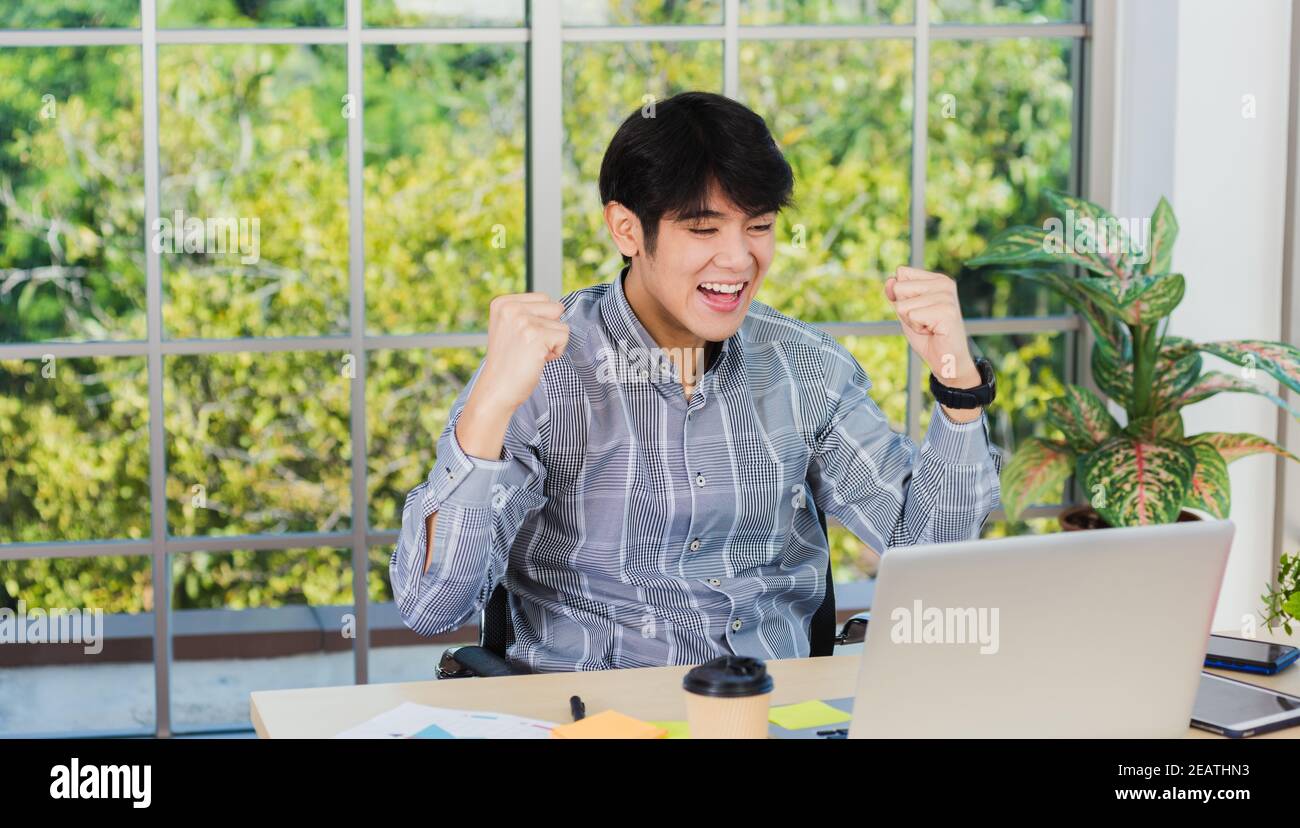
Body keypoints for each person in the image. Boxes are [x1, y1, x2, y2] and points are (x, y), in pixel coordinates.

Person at [392, 91, 1003, 672]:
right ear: (627, 229)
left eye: (758, 226)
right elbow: (432, 605)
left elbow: (931, 560)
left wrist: (958, 388)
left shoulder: (802, 366)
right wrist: (489, 407)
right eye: (704, 230)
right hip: (596, 718)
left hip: (771, 713)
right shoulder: (545, 371)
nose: (739, 260)